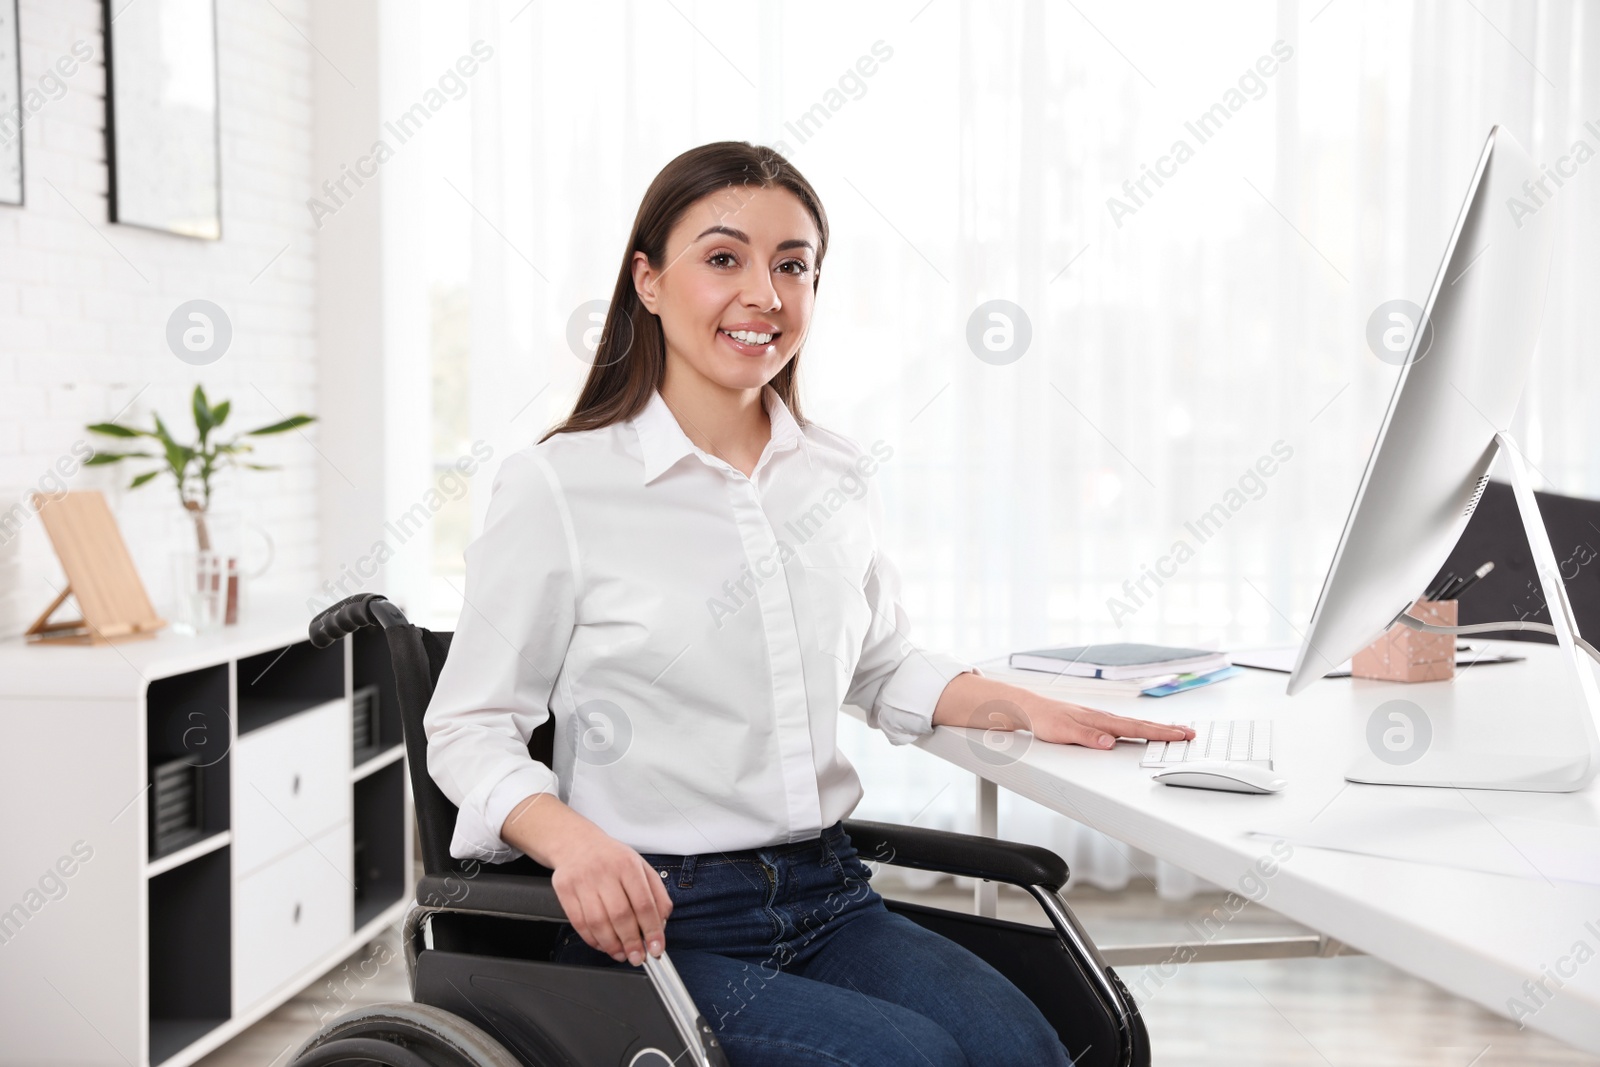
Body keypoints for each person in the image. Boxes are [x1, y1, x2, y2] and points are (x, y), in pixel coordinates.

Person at [423, 140, 1194, 1067]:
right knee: (914, 1060)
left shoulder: (830, 473)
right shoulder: (560, 487)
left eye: (794, 265)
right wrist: (575, 843)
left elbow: (881, 663)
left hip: (827, 892)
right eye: (723, 259)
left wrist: (1024, 704)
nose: (766, 294)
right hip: (657, 916)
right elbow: (468, 726)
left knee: (1038, 1047)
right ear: (649, 282)